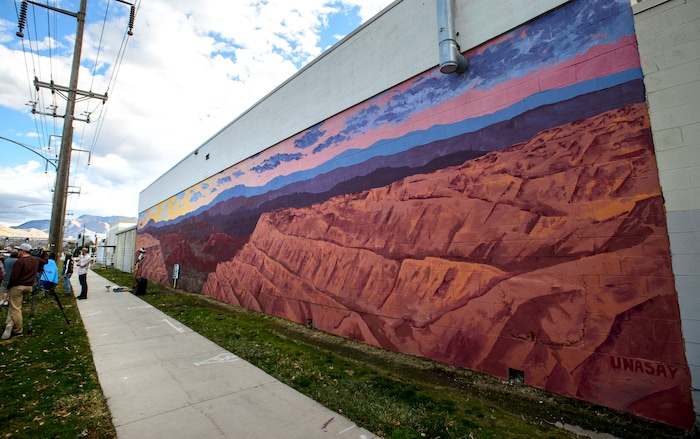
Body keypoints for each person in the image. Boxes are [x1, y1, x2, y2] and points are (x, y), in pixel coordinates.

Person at [2, 243, 49, 340]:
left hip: (18, 286)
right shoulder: (35, 260)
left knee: (15, 309)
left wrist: (8, 287)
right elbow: (45, 261)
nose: (18, 252)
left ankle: (18, 330)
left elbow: (14, 277)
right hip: (29, 286)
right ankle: (9, 323)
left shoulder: (19, 262)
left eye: (19, 250)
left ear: (22, 251)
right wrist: (45, 252)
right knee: (14, 306)